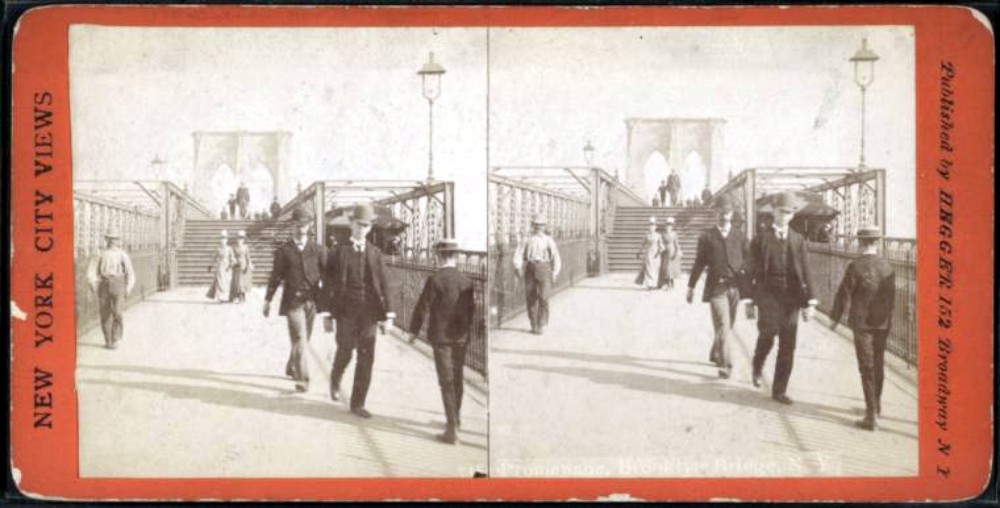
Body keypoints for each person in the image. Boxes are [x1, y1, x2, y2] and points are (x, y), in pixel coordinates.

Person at [324, 204, 395, 418]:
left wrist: (389, 316)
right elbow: (328, 283)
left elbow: (385, 284)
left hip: (369, 314)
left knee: (366, 357)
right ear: (351, 224)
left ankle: (358, 403)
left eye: (366, 226)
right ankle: (336, 377)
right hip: (345, 311)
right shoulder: (339, 252)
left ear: (370, 228)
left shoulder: (375, 253)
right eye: (359, 224)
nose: (362, 229)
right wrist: (328, 314)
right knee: (345, 350)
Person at [746, 192, 818, 404]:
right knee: (767, 336)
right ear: (773, 211)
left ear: (793, 215)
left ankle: (779, 390)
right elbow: (750, 271)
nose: (784, 216)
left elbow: (806, 271)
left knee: (788, 345)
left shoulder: (798, 240)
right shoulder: (760, 239)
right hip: (767, 295)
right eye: (781, 212)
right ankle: (757, 365)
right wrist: (749, 301)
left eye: (788, 213)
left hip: (791, 299)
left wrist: (810, 302)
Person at [407, 239, 476, 444]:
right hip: (460, 337)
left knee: (445, 381)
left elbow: (422, 307)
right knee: (457, 378)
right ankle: (457, 419)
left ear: (438, 256)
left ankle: (451, 428)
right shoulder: (467, 281)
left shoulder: (434, 280)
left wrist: (413, 331)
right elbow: (471, 310)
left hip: (441, 337)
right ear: (456, 256)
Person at [829, 227, 896, 431]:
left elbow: (844, 294)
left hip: (862, 324)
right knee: (878, 363)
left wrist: (835, 319)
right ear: (877, 243)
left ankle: (870, 416)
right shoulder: (888, 267)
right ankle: (876, 405)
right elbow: (891, 300)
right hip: (882, 323)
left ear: (860, 243)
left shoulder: (855, 267)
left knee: (866, 366)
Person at [263, 206, 326, 392]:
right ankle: (303, 379)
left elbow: (329, 273)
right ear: (292, 226)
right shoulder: (284, 251)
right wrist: (267, 300)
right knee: (300, 337)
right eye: (297, 225)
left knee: (303, 340)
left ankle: (292, 365)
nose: (300, 229)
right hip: (292, 303)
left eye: (304, 225)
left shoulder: (318, 249)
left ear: (309, 226)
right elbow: (275, 277)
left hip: (312, 302)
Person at [686, 197, 749, 379]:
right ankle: (726, 365)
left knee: (728, 326)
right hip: (716, 289)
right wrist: (691, 287)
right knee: (723, 324)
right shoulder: (707, 237)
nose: (724, 217)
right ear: (716, 215)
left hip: (735, 288)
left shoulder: (740, 236)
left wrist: (749, 285)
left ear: (731, 215)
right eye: (720, 213)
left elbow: (750, 260)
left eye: (727, 213)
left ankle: (716, 351)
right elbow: (699, 263)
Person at [513, 214, 562, 335]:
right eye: (537, 224)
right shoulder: (527, 239)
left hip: (544, 268)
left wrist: (555, 272)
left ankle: (542, 323)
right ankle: (534, 324)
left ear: (545, 226)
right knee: (531, 298)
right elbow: (518, 254)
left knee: (544, 297)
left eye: (541, 224)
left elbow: (556, 257)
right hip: (530, 268)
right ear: (533, 225)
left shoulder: (548, 240)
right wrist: (518, 267)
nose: (539, 227)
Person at [86, 231, 135, 349]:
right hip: (104, 283)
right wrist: (92, 283)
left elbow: (130, 273)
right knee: (105, 314)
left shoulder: (122, 255)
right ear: (106, 240)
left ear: (118, 241)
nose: (113, 241)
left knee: (117, 312)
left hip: (118, 283)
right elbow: (91, 271)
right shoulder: (100, 254)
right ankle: (108, 340)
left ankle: (116, 338)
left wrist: (128, 288)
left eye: (115, 239)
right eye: (110, 239)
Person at [635, 217, 664, 290]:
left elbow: (661, 244)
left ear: (655, 227)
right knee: (649, 269)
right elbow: (642, 244)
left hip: (656, 254)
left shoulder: (658, 235)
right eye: (650, 225)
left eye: (653, 225)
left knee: (655, 269)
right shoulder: (647, 235)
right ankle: (649, 285)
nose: (651, 227)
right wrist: (639, 252)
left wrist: (660, 250)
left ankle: (655, 284)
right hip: (649, 254)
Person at [206, 230, 234, 303]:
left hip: (227, 267)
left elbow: (232, 257)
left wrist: (232, 264)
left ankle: (226, 297)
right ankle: (221, 298)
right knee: (220, 282)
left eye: (224, 239)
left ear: (227, 240)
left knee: (227, 282)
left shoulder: (229, 248)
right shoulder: (218, 248)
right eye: (222, 239)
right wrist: (210, 265)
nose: (223, 240)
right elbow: (214, 258)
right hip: (220, 266)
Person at [658, 217, 682, 290]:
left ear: (672, 227)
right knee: (666, 268)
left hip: (672, 252)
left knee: (671, 268)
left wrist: (678, 251)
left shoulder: (674, 234)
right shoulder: (663, 234)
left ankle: (671, 283)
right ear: (665, 226)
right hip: (665, 252)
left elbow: (677, 243)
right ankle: (667, 283)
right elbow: (660, 242)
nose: (668, 227)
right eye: (667, 226)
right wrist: (661, 246)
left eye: (670, 226)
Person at [230, 230, 253, 303]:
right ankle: (234, 296)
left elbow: (248, 257)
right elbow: (232, 256)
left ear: (243, 239)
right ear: (236, 239)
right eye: (239, 238)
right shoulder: (234, 247)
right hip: (236, 266)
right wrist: (234, 261)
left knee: (242, 282)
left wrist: (250, 264)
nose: (240, 240)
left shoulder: (246, 247)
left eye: (241, 238)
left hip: (244, 266)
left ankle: (242, 296)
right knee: (236, 281)